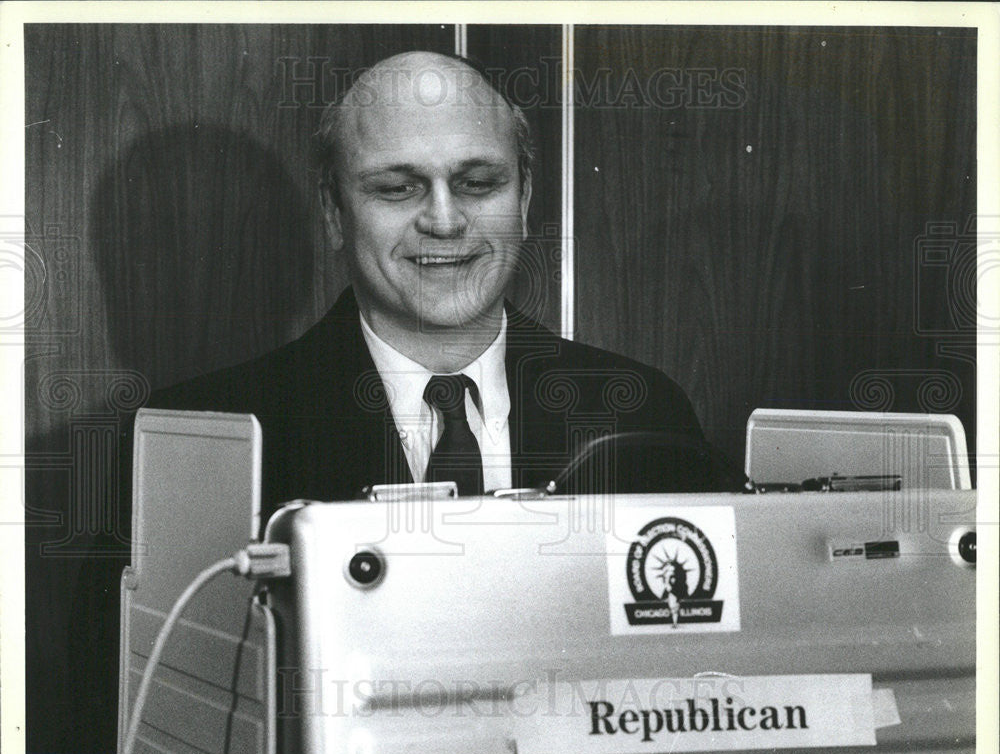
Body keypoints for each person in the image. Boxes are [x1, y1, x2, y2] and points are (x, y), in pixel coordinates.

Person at [141, 50, 722, 511]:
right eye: (397, 188)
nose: (444, 221)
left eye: (477, 183)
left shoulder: (645, 414)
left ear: (524, 200)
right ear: (333, 213)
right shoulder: (201, 442)